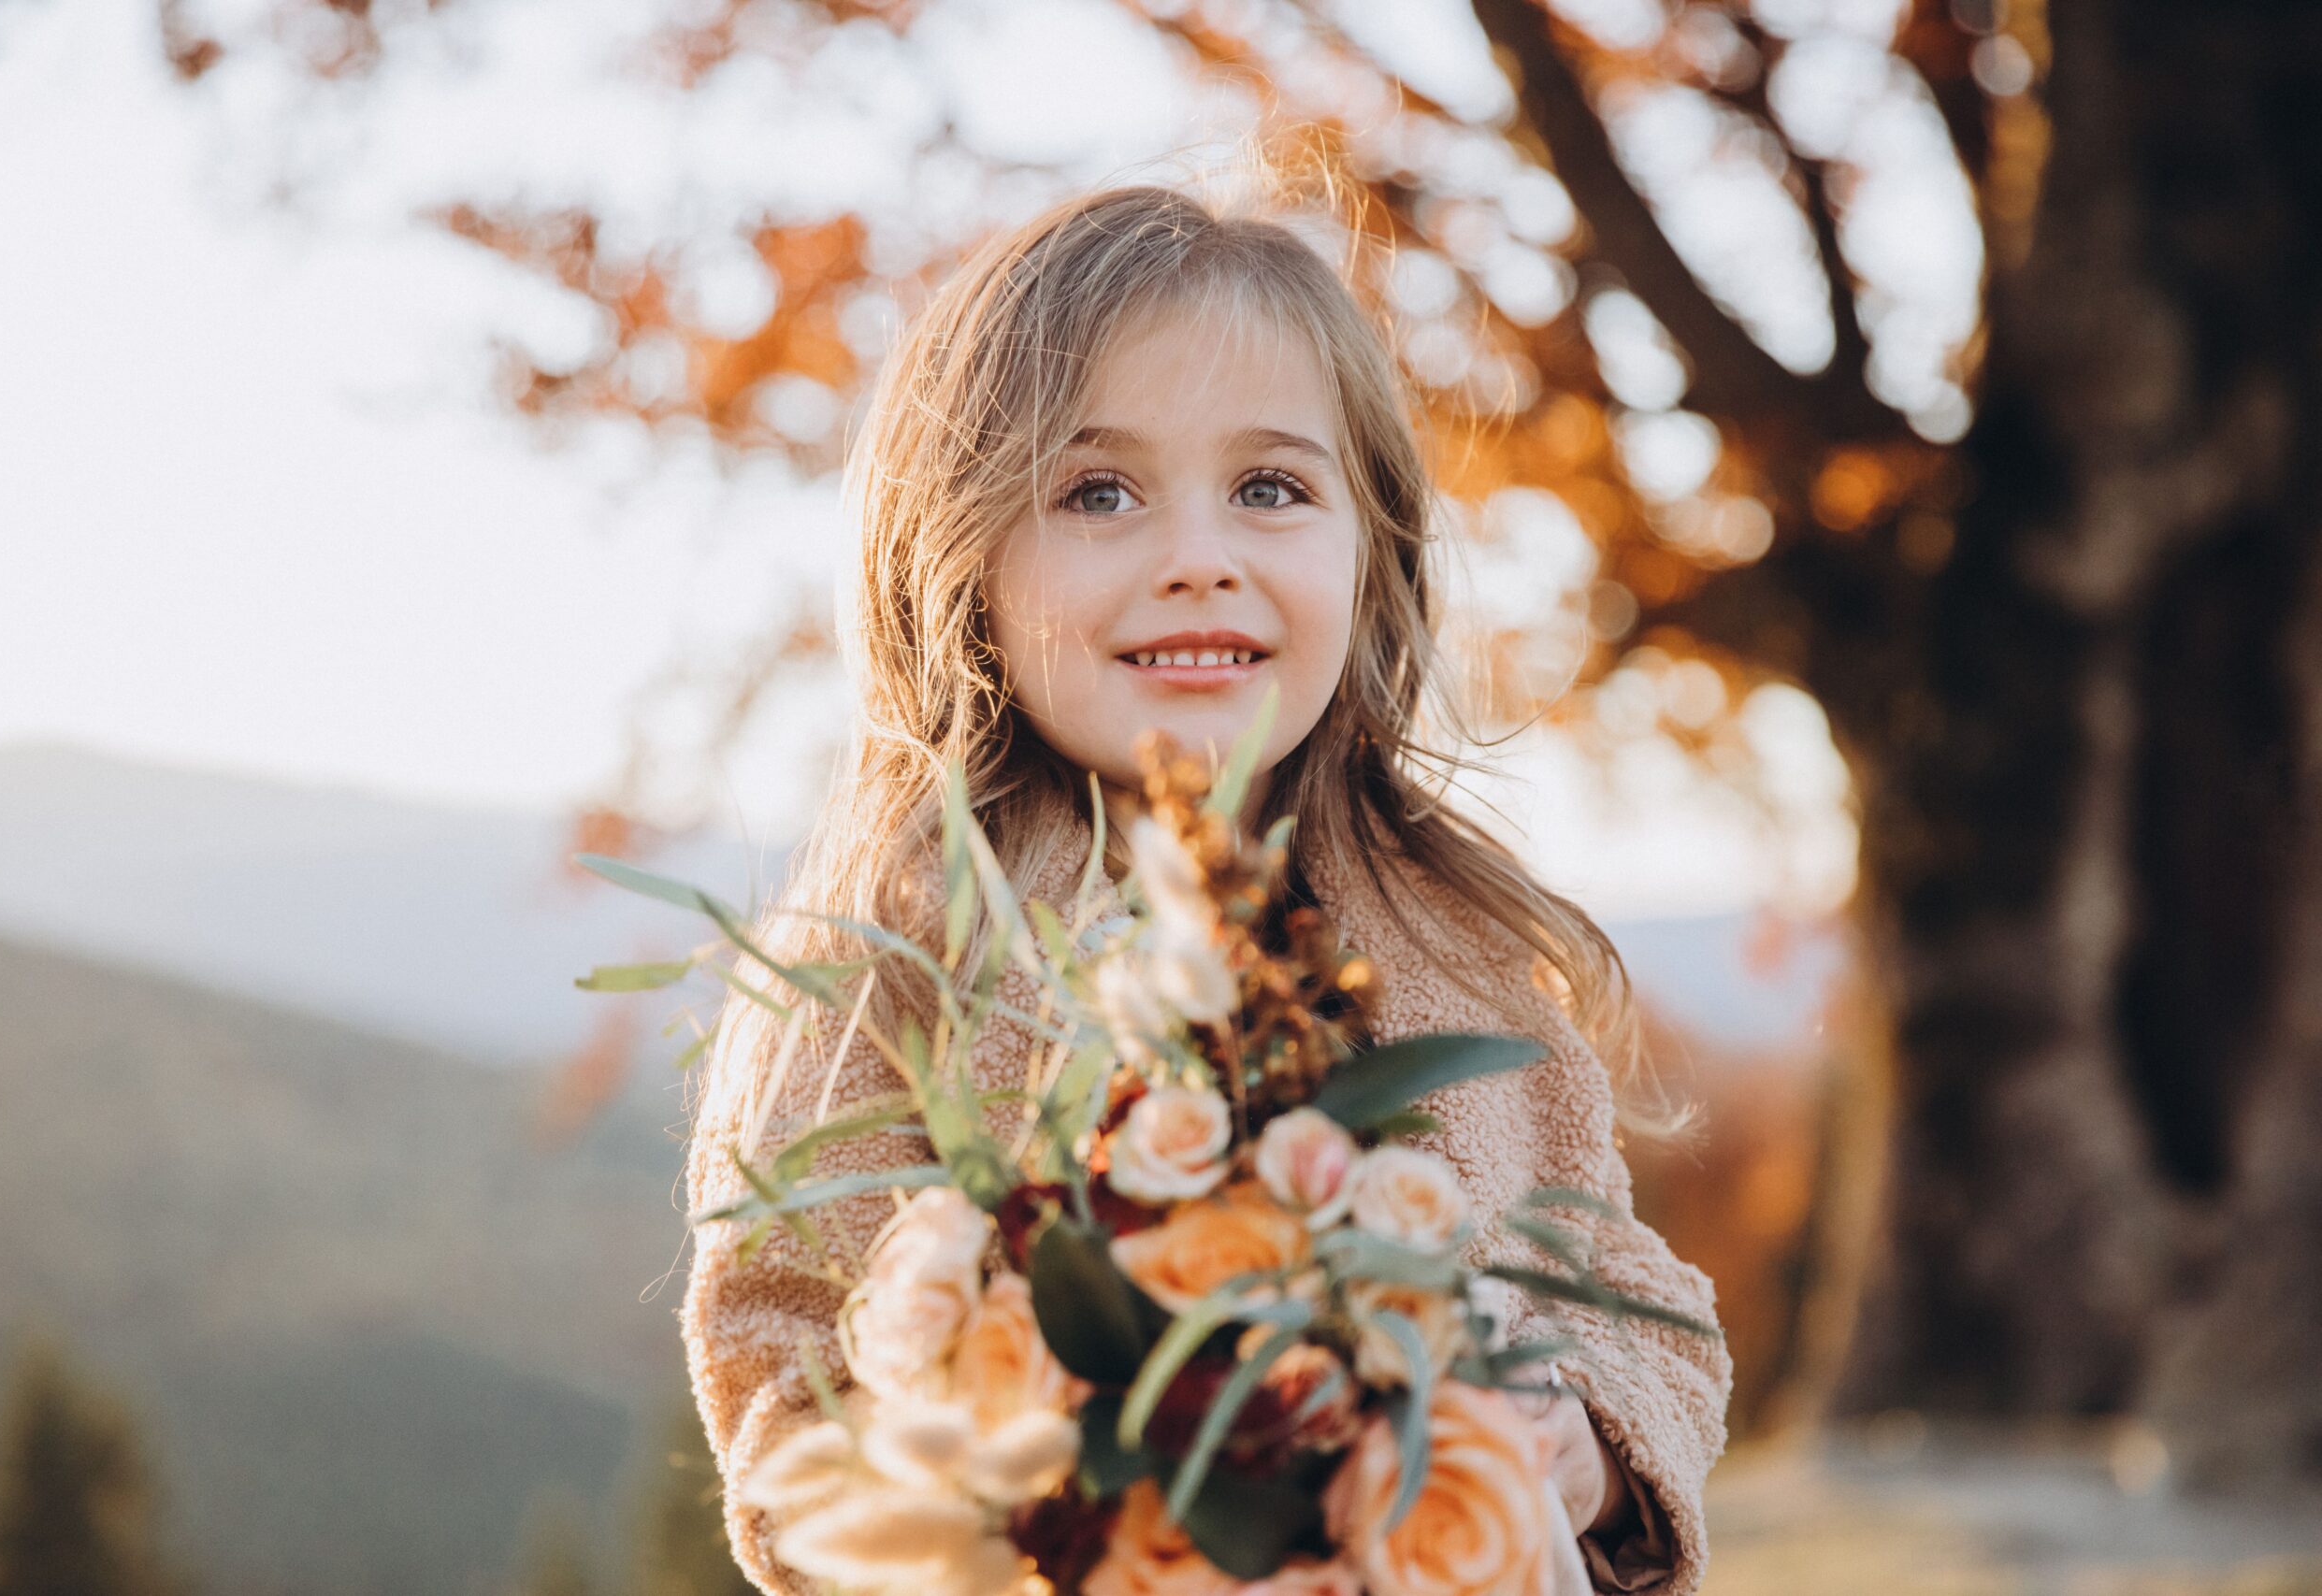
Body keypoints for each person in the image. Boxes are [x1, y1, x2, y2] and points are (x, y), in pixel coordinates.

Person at [678, 175, 1732, 1596]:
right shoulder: (907, 958)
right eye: (1097, 491)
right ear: (960, 557)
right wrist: (1026, 1468)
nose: (1198, 561)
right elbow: (780, 1356)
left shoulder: (1460, 952)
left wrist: (1579, 1440)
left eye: (1271, 490)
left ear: (1374, 554)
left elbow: (1643, 1302)